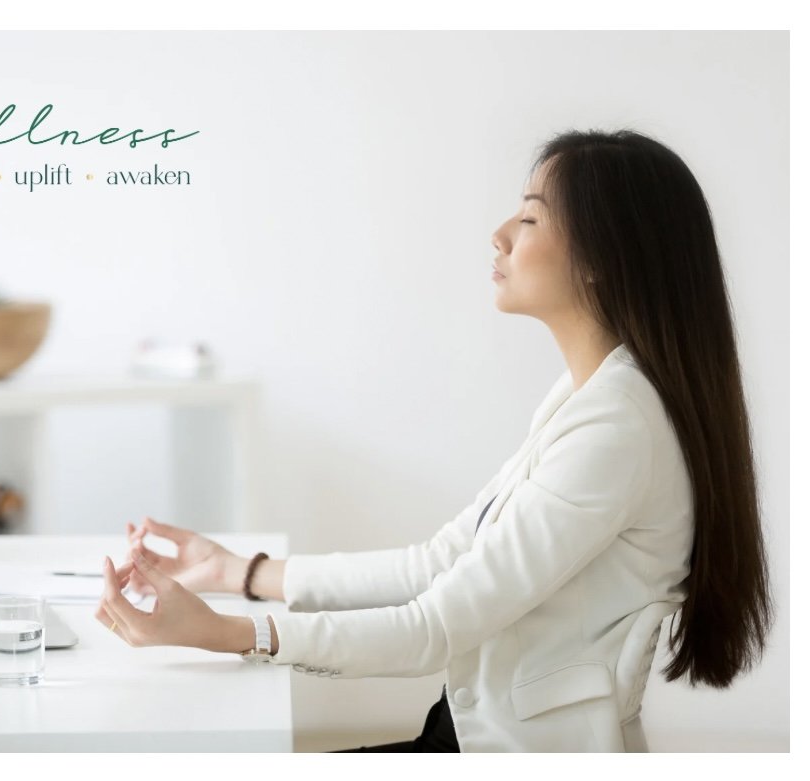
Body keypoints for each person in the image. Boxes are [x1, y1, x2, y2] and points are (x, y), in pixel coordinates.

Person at [94, 128, 774, 752]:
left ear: (603, 258)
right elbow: (439, 562)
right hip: (464, 731)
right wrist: (237, 571)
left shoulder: (619, 426)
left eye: (531, 217)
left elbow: (433, 626)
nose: (501, 234)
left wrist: (224, 631)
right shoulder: (590, 395)